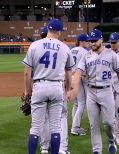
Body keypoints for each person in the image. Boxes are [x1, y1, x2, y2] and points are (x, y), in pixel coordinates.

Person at [68, 29, 119, 154]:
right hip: (91, 93)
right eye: (91, 41)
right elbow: (79, 71)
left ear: (101, 40)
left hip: (107, 92)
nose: (93, 43)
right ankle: (97, 150)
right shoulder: (86, 55)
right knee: (93, 125)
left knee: (109, 123)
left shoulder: (111, 54)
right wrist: (76, 88)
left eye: (95, 41)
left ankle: (112, 141)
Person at [23, 18, 74, 154]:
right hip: (57, 87)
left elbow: (27, 72)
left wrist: (28, 91)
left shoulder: (35, 45)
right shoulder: (65, 48)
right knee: (56, 127)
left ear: (48, 29)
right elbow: (69, 73)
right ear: (59, 31)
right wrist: (68, 89)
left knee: (35, 128)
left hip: (39, 86)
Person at [70, 33, 89, 136]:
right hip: (79, 78)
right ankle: (75, 128)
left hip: (71, 77)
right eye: (86, 41)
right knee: (82, 103)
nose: (88, 42)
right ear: (81, 41)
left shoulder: (72, 50)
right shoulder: (85, 52)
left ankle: (74, 125)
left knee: (77, 103)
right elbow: (86, 68)